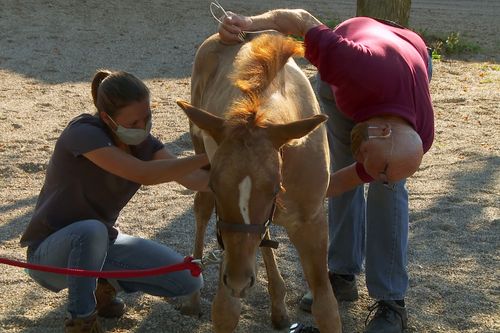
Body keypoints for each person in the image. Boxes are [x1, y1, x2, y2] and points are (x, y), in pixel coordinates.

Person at [219, 8, 434, 333]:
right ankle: (342, 274)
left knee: (388, 191)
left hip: (408, 56)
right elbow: (296, 17)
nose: (366, 168)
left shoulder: (417, 139)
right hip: (353, 76)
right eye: (373, 164)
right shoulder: (352, 62)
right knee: (344, 161)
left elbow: (354, 175)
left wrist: (291, 200)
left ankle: (391, 302)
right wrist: (248, 24)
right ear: (383, 131)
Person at [20, 69, 210, 333]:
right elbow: (143, 173)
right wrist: (209, 155)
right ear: (107, 118)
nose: (142, 128)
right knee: (91, 230)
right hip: (48, 254)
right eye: (133, 124)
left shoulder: (143, 142)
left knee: (187, 280)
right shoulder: (83, 132)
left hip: (99, 243)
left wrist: (238, 166)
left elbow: (194, 180)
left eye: (147, 118)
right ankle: (82, 319)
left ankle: (102, 287)